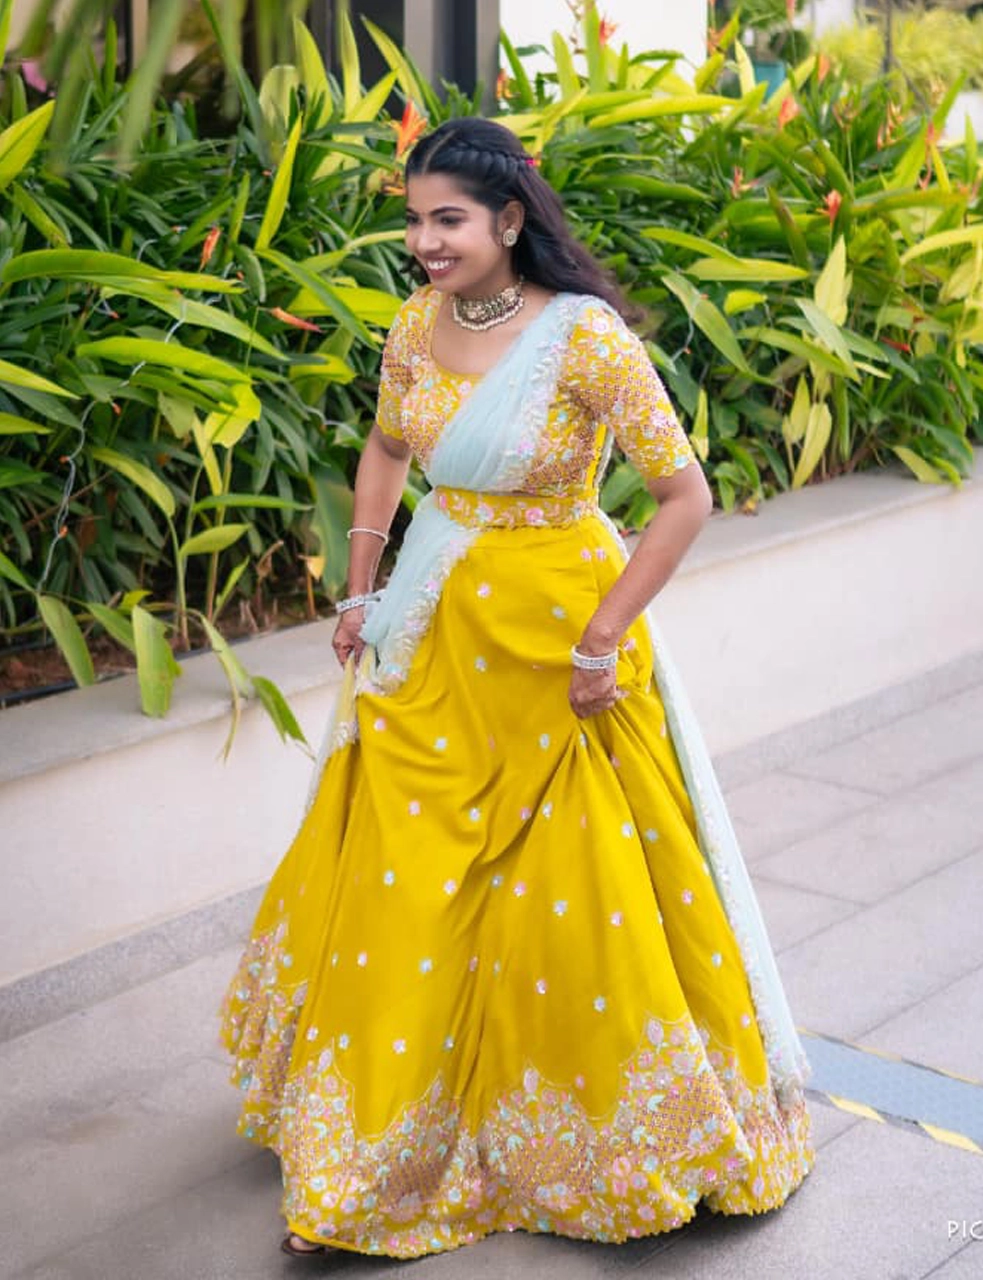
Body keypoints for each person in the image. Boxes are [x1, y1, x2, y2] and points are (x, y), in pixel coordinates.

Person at [220, 116, 814, 1260]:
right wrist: (359, 583)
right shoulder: (416, 322)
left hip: (555, 643)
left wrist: (603, 638)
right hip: (432, 626)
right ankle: (369, 1154)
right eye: (413, 220)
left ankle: (595, 1140)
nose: (423, 241)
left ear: (506, 218)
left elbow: (682, 495)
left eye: (446, 219)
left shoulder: (583, 338)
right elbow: (387, 447)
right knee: (405, 869)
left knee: (569, 888)